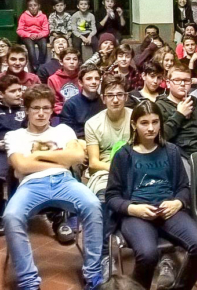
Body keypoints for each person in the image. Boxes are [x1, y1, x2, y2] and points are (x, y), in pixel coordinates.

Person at [3, 84, 103, 290]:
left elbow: (77, 156)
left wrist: (38, 155)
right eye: (36, 108)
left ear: (51, 110)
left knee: (93, 205)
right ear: (27, 110)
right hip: (30, 185)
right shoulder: (14, 136)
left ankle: (93, 274)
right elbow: (22, 166)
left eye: (46, 108)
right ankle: (29, 282)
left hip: (64, 181)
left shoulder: (63, 130)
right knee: (11, 216)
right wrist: (61, 160)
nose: (41, 113)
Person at [106, 100, 197, 290]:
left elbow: (184, 187)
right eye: (144, 123)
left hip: (169, 210)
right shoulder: (123, 155)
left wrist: (178, 202)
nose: (151, 128)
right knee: (148, 254)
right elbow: (112, 196)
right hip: (137, 214)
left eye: (155, 122)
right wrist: (133, 209)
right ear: (134, 125)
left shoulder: (171, 151)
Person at [85, 74, 132, 263]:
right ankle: (104, 254)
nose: (115, 99)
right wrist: (118, 169)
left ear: (126, 97)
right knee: (105, 196)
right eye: (110, 95)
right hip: (105, 172)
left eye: (119, 94)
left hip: (136, 169)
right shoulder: (93, 123)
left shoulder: (136, 118)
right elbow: (94, 163)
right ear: (103, 98)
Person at [156, 64, 197, 162]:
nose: (182, 84)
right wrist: (179, 115)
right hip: (179, 158)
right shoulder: (159, 106)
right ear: (168, 83)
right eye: (177, 80)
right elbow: (159, 137)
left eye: (186, 80)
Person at [0, 75, 25, 235]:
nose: (18, 94)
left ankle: (17, 211)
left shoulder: (25, 109)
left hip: (21, 150)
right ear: (2, 94)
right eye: (13, 91)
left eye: (19, 90)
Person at [60, 63, 105, 139]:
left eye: (97, 79)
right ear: (80, 83)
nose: (94, 82)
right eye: (89, 79)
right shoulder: (70, 104)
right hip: (80, 141)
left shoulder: (104, 102)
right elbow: (66, 132)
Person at [17, 0, 49, 72]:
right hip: (28, 36)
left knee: (44, 44)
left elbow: (46, 30)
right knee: (30, 47)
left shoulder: (43, 16)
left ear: (39, 6)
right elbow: (19, 30)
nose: (33, 7)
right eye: (30, 6)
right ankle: (34, 66)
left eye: (35, 5)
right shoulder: (23, 16)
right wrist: (29, 35)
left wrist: (39, 35)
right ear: (28, 7)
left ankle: (41, 65)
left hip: (39, 36)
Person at [47, 47, 81, 115]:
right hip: (61, 114)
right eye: (68, 59)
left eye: (75, 59)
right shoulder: (53, 79)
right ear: (61, 62)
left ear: (78, 62)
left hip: (80, 112)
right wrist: (66, 112)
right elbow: (54, 102)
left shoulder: (82, 77)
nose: (72, 62)